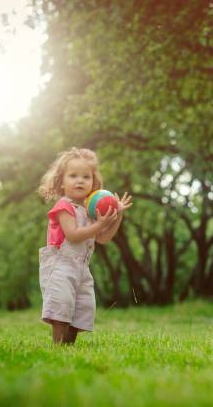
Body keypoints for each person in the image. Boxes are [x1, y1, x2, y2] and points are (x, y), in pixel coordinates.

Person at [37, 147, 132, 344]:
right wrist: (99, 224)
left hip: (81, 268)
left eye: (86, 177)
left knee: (82, 307)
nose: (80, 180)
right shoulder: (63, 207)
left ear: (94, 183)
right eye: (73, 176)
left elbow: (103, 238)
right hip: (60, 266)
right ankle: (58, 346)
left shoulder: (90, 212)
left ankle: (69, 347)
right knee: (62, 305)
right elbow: (73, 235)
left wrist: (117, 215)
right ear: (61, 182)